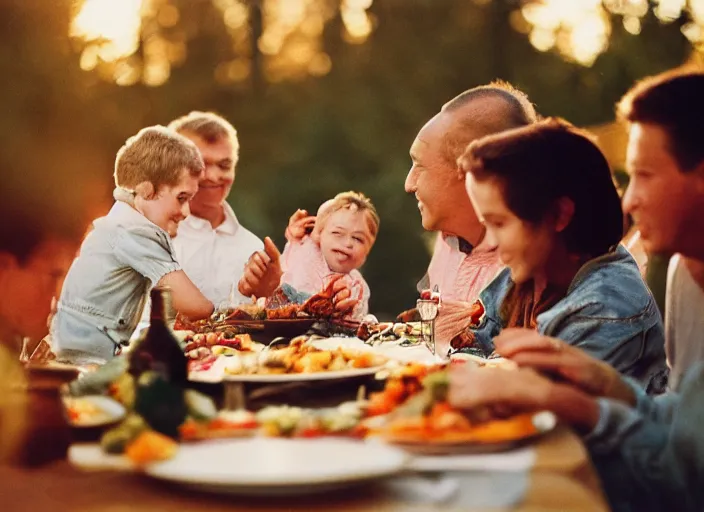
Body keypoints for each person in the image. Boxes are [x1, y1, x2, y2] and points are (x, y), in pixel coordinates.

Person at [448, 71, 704, 512]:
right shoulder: (686, 272)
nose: (630, 201)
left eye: (643, 175)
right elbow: (686, 435)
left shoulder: (609, 304)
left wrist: (574, 404)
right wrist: (609, 386)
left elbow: (683, 484)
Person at [452, 117, 666, 390]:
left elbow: (537, 406)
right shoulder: (532, 273)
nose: (490, 242)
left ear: (559, 214)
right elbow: (477, 344)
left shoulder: (606, 307)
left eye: (500, 223)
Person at [50, 126, 215, 365]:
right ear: (147, 191)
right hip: (83, 367)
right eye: (181, 198)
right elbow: (197, 307)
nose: (186, 212)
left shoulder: (116, 223)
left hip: (76, 356)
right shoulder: (135, 231)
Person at [404, 81, 539, 351]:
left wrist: (477, 330)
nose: (409, 184)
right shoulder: (448, 242)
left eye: (419, 165)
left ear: (471, 170)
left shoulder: (547, 261)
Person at [167, 111, 263, 307]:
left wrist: (269, 295)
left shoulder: (253, 248)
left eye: (224, 165)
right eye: (200, 165)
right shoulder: (148, 239)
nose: (212, 176)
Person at [280, 191, 380, 319]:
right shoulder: (307, 254)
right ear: (318, 235)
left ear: (367, 251)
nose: (348, 243)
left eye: (357, 239)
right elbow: (295, 245)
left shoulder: (359, 286)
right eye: (337, 233)